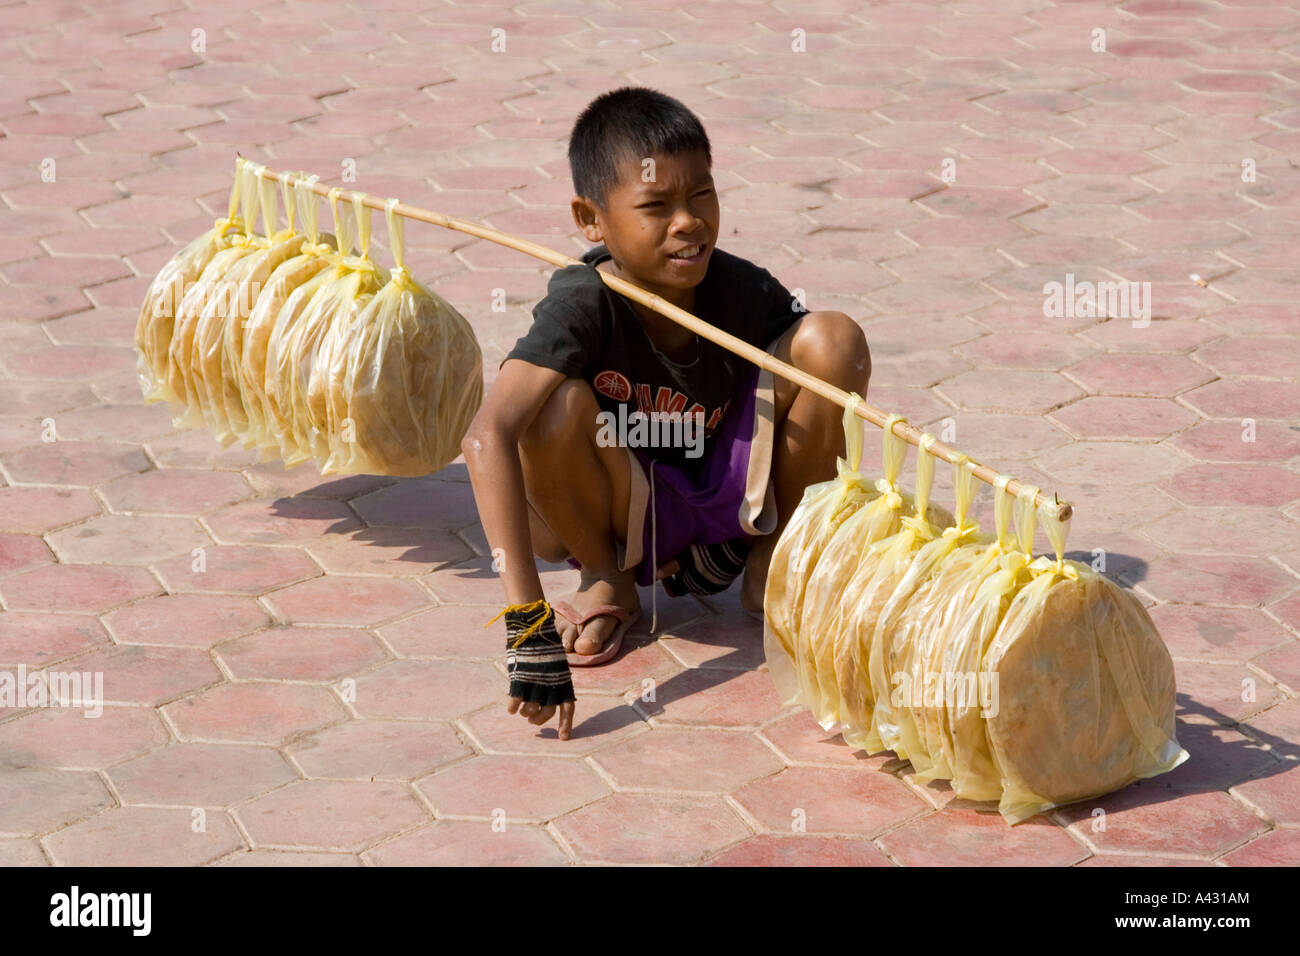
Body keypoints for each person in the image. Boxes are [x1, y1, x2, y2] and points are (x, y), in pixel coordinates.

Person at [462, 87, 871, 740]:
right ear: (591, 220)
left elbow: (820, 382)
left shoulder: (742, 289)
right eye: (655, 206)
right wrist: (528, 629)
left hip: (727, 491)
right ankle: (608, 580)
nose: (688, 223)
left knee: (834, 340)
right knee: (549, 407)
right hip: (625, 505)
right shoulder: (581, 303)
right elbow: (487, 435)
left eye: (701, 196)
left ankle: (773, 560)